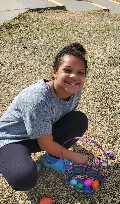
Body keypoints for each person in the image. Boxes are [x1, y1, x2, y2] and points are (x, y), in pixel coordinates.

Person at [0, 42, 89, 191]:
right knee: (24, 178)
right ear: (55, 71)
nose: (74, 77)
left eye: (80, 73)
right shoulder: (37, 100)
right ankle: (12, 159)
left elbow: (63, 120)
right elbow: (45, 144)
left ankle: (51, 159)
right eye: (67, 70)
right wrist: (74, 156)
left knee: (78, 121)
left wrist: (57, 148)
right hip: (11, 139)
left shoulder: (75, 90)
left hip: (40, 133)